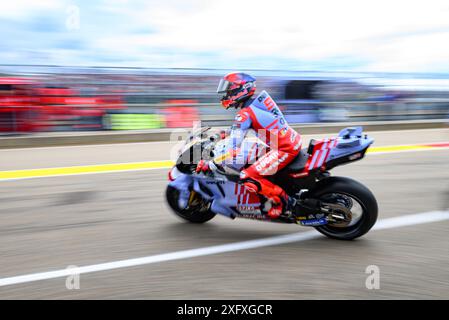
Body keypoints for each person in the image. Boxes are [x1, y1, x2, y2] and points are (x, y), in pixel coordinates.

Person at [196, 72, 302, 218]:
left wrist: (211, 164)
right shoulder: (256, 104)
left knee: (248, 176)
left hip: (284, 149)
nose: (226, 95)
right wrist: (218, 136)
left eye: (229, 91)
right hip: (288, 142)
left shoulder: (245, 114)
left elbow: (233, 147)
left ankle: (285, 203)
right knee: (252, 157)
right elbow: (237, 129)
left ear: (241, 89)